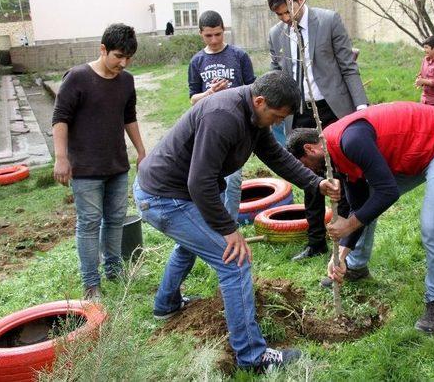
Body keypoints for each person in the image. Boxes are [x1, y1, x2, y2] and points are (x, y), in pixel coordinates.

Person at [133, 71, 340, 371]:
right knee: (235, 261)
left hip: (172, 191)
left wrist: (315, 183)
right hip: (164, 197)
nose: (279, 123)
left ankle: (166, 305)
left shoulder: (252, 114)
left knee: (192, 244)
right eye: (278, 116)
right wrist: (229, 231)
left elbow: (276, 156)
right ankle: (252, 357)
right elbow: (200, 182)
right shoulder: (224, 116)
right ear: (260, 101)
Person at [287, 101, 434, 334]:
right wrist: (341, 254)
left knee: (433, 227)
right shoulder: (333, 155)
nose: (309, 172)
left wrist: (349, 224)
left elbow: (387, 193)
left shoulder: (350, 141)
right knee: (367, 205)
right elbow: (359, 204)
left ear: (310, 149)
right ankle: (356, 267)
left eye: (304, 166)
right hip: (412, 151)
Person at [267, 0, 369, 261]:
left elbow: (348, 67)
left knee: (343, 171)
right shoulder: (276, 34)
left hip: (332, 108)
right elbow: (277, 74)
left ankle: (348, 236)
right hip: (299, 112)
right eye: (280, 15)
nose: (286, 18)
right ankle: (315, 242)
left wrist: (361, 107)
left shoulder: (329, 21)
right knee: (307, 175)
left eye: (289, 11)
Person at [52, 23, 146, 301]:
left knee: (116, 219)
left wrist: (141, 150)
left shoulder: (126, 81)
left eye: (128, 58)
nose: (123, 63)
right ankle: (91, 283)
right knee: (90, 223)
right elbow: (60, 118)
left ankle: (115, 270)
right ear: (103, 49)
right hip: (85, 169)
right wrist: (61, 158)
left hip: (116, 165)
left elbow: (129, 117)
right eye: (118, 56)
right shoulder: (77, 78)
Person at [188, 10, 256, 222]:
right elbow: (192, 98)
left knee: (234, 180)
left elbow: (253, 90)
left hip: (237, 127)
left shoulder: (239, 56)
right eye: (209, 35)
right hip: (208, 128)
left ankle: (231, 224)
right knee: (211, 179)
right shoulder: (197, 61)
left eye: (218, 34)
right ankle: (215, 226)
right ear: (201, 34)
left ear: (223, 29)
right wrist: (210, 93)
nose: (215, 39)